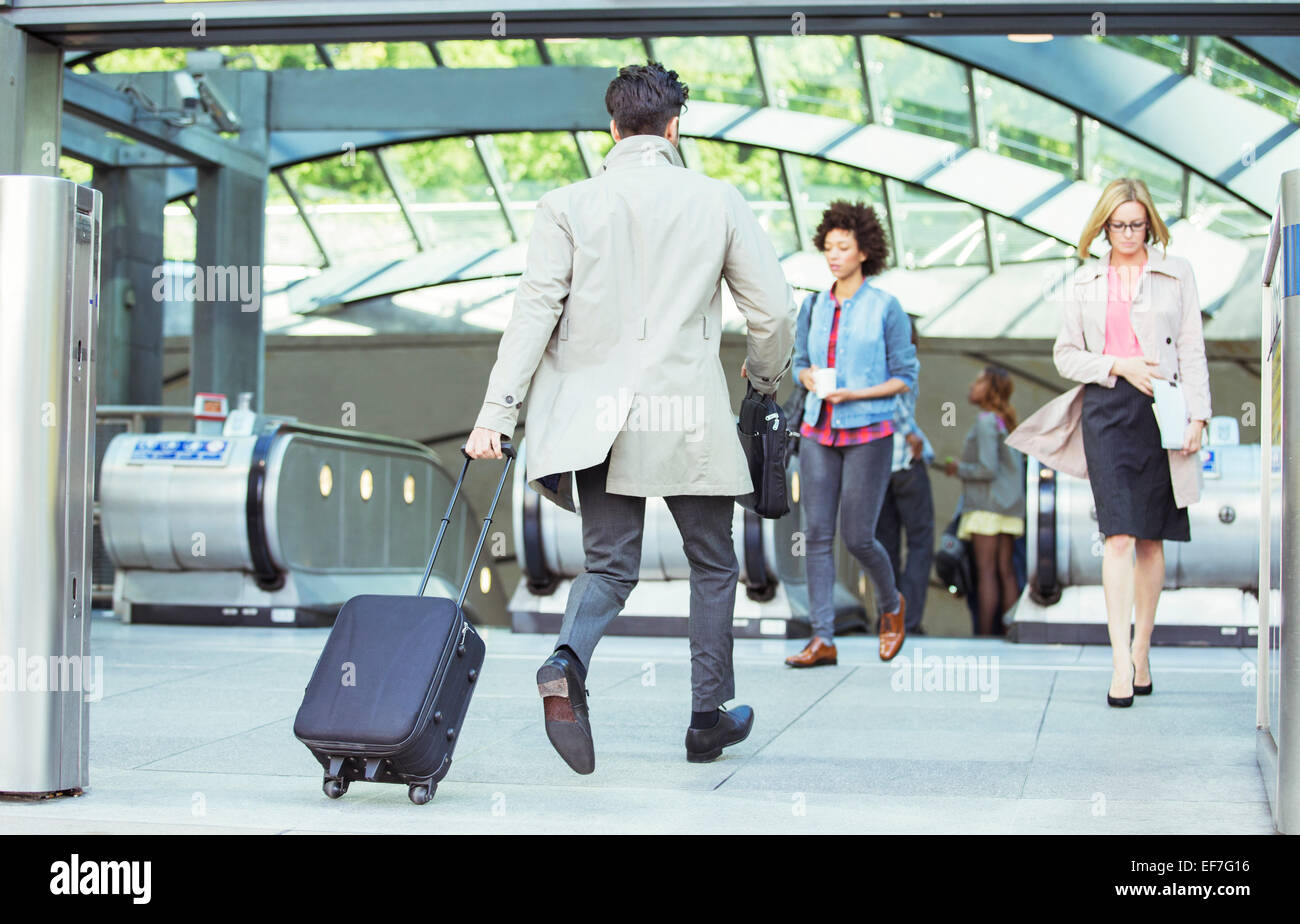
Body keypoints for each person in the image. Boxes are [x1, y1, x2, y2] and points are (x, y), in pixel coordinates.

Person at [465, 62, 796, 772]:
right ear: (675, 128)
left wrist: (496, 412)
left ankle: (566, 660)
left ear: (612, 129)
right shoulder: (718, 199)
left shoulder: (565, 205)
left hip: (599, 423)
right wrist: (765, 382)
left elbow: (532, 312)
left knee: (610, 566)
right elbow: (773, 312)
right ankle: (707, 719)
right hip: (688, 417)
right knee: (712, 565)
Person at [1006, 177, 1211, 707]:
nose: (1127, 233)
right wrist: (1117, 364)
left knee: (1151, 537)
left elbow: (1191, 345)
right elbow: (1065, 355)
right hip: (1107, 407)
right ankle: (1120, 661)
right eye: (1117, 225)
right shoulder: (1084, 282)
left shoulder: (1176, 273)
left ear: (1150, 224)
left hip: (1163, 408)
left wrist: (1199, 416)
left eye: (1136, 225)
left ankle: (1142, 648)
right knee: (1117, 533)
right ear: (1102, 227)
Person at [784, 200, 918, 669]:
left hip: (870, 430)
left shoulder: (887, 307)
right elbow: (799, 363)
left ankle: (891, 605)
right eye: (828, 247)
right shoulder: (814, 304)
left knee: (859, 536)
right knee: (816, 534)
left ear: (864, 251)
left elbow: (905, 375)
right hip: (818, 429)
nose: (834, 255)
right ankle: (823, 638)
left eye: (844, 247)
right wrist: (810, 379)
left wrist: (856, 394)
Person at [937, 367, 1025, 636]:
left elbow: (987, 468)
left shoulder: (986, 421)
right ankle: (1012, 630)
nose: (972, 385)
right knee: (1006, 572)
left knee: (986, 574)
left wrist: (959, 469)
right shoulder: (1004, 420)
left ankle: (985, 636)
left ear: (990, 389)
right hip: (1008, 507)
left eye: (978, 381)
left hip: (986, 507)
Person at [875, 318, 935, 634]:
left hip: (879, 464)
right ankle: (908, 621)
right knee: (921, 543)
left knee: (884, 545)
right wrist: (912, 434)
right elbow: (895, 404)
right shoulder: (906, 359)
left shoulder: (873, 359)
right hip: (906, 464)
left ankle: (887, 619)